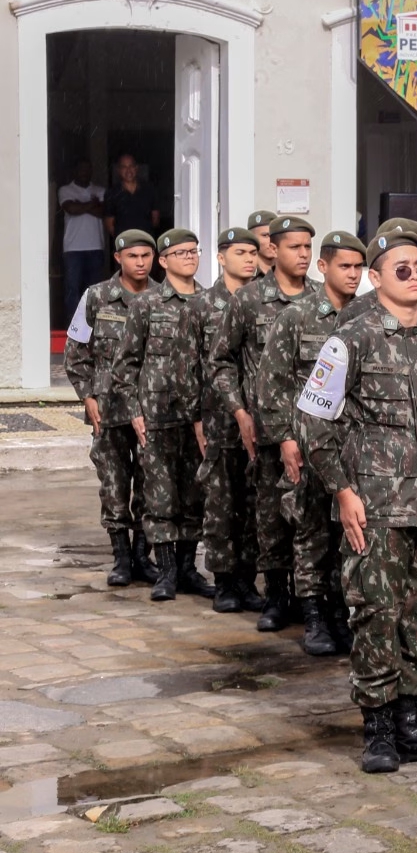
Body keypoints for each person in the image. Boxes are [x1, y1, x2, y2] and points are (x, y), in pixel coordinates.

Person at [298, 230, 417, 774]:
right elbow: (314, 422)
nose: (415, 277)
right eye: (401, 269)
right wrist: (342, 488)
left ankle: (412, 722)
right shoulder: (349, 340)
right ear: (375, 277)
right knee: (377, 615)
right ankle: (378, 729)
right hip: (377, 508)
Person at [260, 230, 369, 656]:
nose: (353, 274)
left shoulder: (368, 317)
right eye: (345, 266)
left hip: (354, 447)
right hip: (309, 442)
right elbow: (273, 382)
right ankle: (314, 618)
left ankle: (343, 614)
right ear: (323, 267)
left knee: (348, 534)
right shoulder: (298, 317)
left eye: (359, 267)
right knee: (309, 532)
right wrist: (287, 438)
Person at [209, 215, 314, 631]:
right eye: (294, 247)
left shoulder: (323, 301)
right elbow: (220, 361)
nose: (302, 255)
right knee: (270, 517)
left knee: (311, 521)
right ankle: (274, 595)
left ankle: (312, 601)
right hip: (268, 429)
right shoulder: (249, 300)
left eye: (308, 247)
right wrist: (239, 410)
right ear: (275, 249)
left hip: (316, 430)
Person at [111, 229, 214, 602]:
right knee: (160, 496)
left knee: (194, 495)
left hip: (200, 419)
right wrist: (133, 412)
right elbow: (125, 366)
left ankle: (188, 568)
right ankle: (166, 571)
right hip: (158, 415)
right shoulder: (147, 304)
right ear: (164, 261)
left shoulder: (210, 302)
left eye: (193, 251)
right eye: (179, 252)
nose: (189, 257)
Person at [65, 230, 161, 587]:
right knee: (114, 483)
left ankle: (142, 554)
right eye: (133, 256)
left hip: (151, 408)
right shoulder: (97, 297)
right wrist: (87, 396)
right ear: (118, 258)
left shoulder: (162, 296)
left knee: (152, 483)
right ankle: (120, 556)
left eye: (146, 256)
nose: (140, 263)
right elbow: (76, 352)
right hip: (107, 407)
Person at [199, 227, 269, 614]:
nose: (249, 259)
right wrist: (196, 419)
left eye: (253, 252)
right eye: (240, 252)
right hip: (221, 420)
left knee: (254, 503)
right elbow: (193, 366)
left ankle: (247, 578)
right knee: (221, 503)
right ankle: (224, 579)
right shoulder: (203, 304)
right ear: (221, 257)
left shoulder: (264, 300)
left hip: (261, 422)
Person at [59, 161, 106, 324]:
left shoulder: (100, 190)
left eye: (88, 169)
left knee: (94, 290)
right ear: (75, 171)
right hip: (73, 248)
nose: (85, 172)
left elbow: (103, 212)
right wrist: (93, 204)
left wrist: (81, 205)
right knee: (73, 289)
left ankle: (93, 325)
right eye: (81, 169)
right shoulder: (65, 190)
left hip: (96, 247)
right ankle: (74, 326)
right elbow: (71, 209)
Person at [102, 155, 162, 241]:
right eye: (124, 167)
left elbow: (155, 220)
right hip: (123, 244)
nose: (128, 170)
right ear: (118, 170)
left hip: (146, 241)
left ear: (136, 168)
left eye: (131, 166)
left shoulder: (149, 190)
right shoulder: (112, 193)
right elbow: (109, 225)